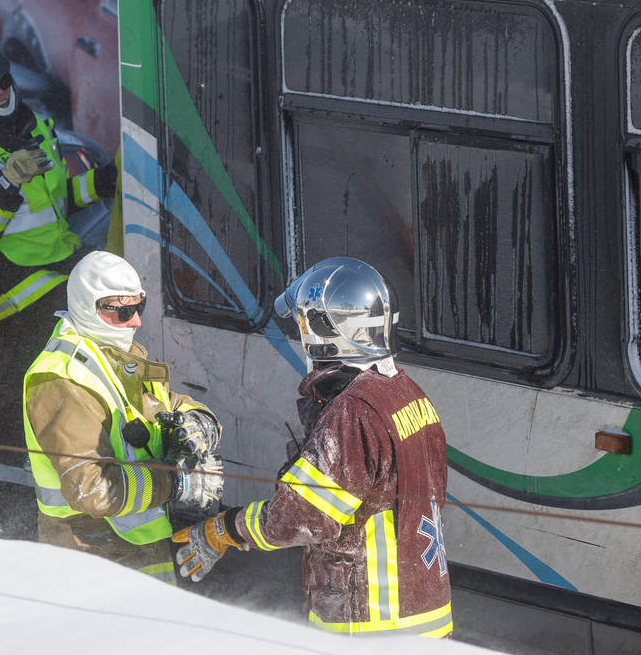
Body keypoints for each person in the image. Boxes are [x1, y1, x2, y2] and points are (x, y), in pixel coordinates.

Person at [172, 257, 452, 638]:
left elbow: (300, 516)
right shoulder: (408, 395)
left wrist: (224, 529)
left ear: (326, 333)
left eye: (305, 325)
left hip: (370, 623)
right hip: (426, 612)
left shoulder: (354, 412)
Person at [0, 48, 116, 453]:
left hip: (56, 266)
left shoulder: (35, 129)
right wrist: (6, 184)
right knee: (19, 395)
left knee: (68, 380)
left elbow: (57, 201)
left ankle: (82, 455)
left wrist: (111, 179)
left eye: (3, 82)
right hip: (9, 291)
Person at [23, 250, 223, 581]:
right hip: (90, 556)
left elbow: (163, 405)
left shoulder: (112, 357)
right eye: (123, 312)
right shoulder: (61, 378)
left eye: (139, 307)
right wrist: (176, 483)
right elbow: (92, 488)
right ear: (90, 307)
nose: (136, 322)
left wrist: (200, 422)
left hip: (136, 547)